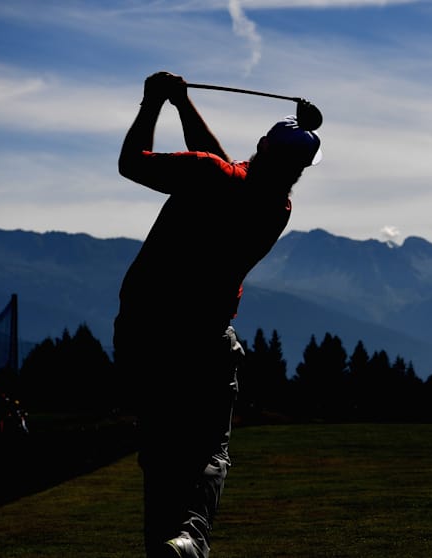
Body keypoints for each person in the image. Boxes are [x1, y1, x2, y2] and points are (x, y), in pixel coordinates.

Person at [114, 71, 321, 558]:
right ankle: (189, 538)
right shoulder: (277, 208)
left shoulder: (210, 176)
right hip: (205, 340)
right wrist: (183, 105)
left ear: (262, 145)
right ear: (301, 169)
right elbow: (222, 168)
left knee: (160, 456)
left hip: (145, 336)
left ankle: (170, 546)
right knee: (208, 452)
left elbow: (131, 163)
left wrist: (154, 103)